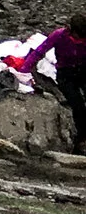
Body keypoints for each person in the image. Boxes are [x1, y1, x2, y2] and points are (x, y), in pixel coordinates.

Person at [16, 13, 86, 143]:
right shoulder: (59, 35)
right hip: (65, 72)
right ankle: (82, 136)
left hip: (83, 68)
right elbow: (39, 51)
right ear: (71, 30)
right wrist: (24, 70)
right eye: (79, 36)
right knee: (77, 105)